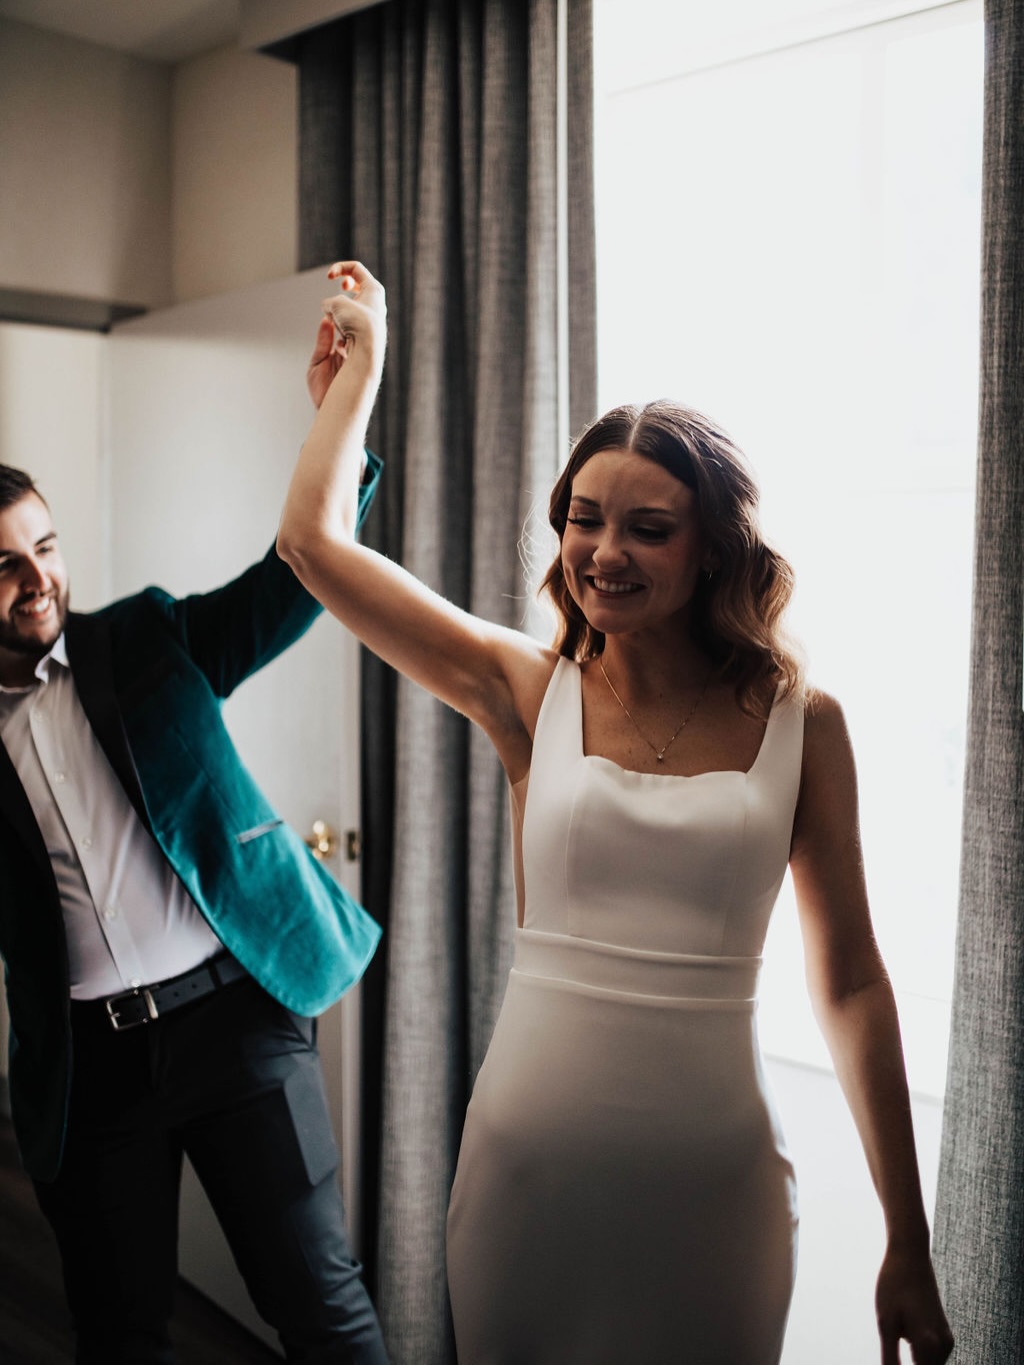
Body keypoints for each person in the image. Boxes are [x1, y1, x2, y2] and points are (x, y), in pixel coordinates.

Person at [278, 260, 954, 1365]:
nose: (602, 553)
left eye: (647, 528)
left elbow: (850, 983)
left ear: (713, 548)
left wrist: (906, 1240)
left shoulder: (802, 724)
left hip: (715, 1193)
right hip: (524, 1178)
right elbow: (313, 546)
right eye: (583, 521)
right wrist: (361, 374)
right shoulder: (524, 691)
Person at [0, 444, 390, 1362]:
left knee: (320, 1306)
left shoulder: (144, 638)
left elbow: (291, 580)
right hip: (88, 1069)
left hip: (237, 1028)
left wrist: (342, 424)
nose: (37, 578)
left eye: (46, 548)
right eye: (5, 565)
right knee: (119, 1332)